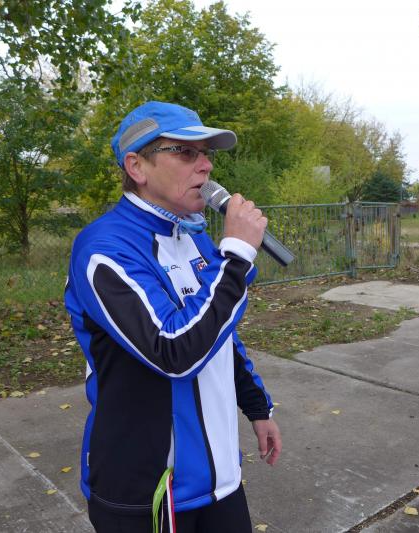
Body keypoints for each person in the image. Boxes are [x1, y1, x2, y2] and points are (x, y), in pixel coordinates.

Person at [64, 101, 281, 532]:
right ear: (137, 167)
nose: (205, 166)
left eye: (207, 154)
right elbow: (172, 351)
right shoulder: (104, 248)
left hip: (220, 479)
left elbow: (220, 334)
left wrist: (258, 407)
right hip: (147, 492)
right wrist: (237, 255)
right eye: (185, 152)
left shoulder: (193, 236)